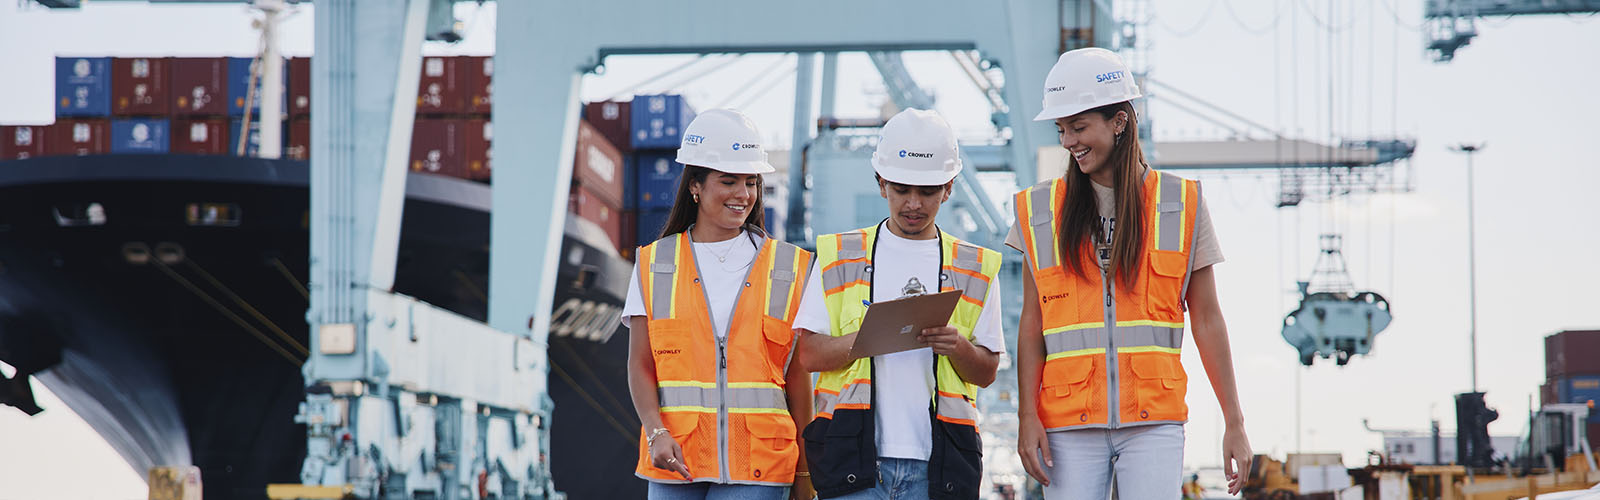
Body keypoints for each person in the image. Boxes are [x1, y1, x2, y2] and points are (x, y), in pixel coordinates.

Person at [1010, 47, 1253, 499]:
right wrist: (1028, 418)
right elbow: (1032, 324)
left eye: (1079, 127)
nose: (1068, 142)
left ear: (1119, 121)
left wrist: (1234, 422)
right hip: (1066, 422)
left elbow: (1207, 318)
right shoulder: (1038, 210)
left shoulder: (1181, 204)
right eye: (1062, 129)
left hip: (1153, 421)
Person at [794, 109, 1005, 500]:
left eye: (927, 191)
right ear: (881, 184)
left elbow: (987, 371)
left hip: (939, 465)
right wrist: (870, 338)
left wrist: (956, 345)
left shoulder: (976, 267)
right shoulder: (838, 256)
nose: (913, 203)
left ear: (948, 188)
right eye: (901, 189)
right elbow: (808, 354)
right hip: (853, 461)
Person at [622, 109, 816, 500]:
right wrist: (655, 432)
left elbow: (798, 376)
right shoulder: (656, 263)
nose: (742, 194)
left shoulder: (790, 266)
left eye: (751, 182)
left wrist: (806, 471)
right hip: (675, 461)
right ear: (695, 185)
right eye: (728, 181)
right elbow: (641, 364)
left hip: (762, 466)